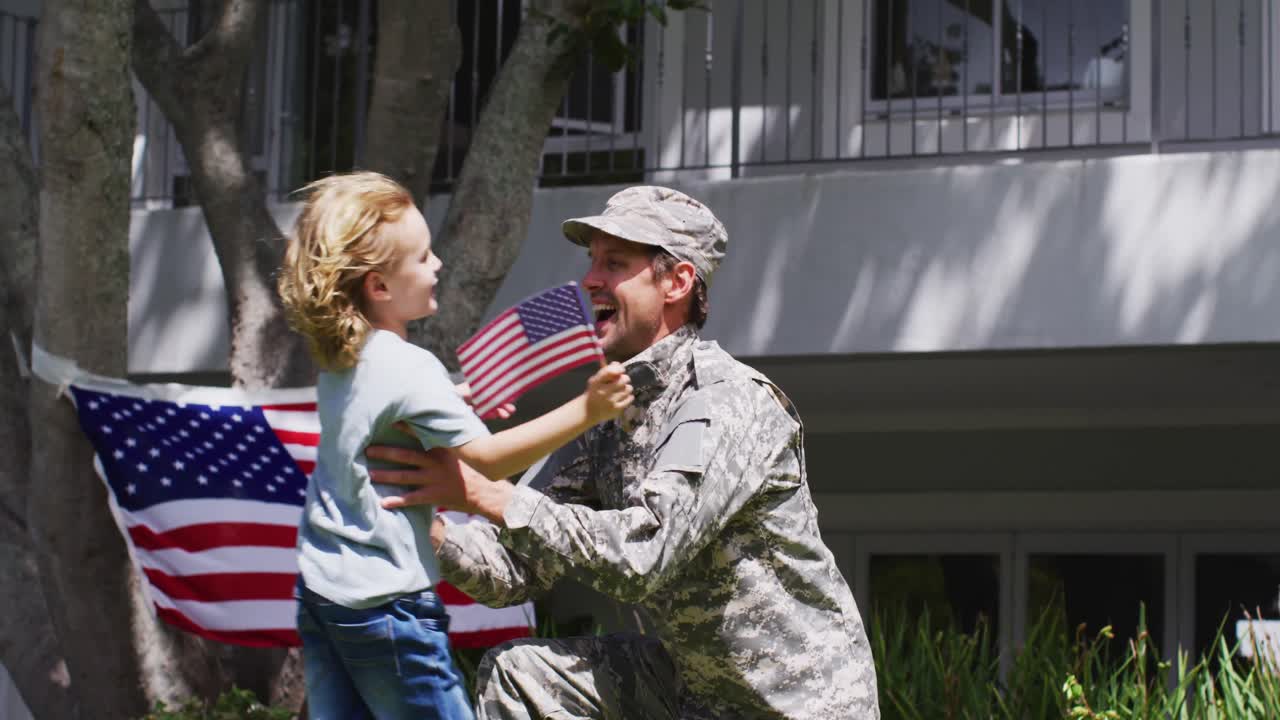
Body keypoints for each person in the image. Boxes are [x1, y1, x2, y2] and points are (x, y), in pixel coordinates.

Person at [370, 186, 881, 719]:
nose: (591, 279)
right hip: (697, 692)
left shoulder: (726, 400)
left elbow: (644, 555)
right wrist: (426, 521)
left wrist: (485, 493)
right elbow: (512, 570)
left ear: (678, 282)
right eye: (592, 261)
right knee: (522, 676)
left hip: (798, 704)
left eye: (615, 262)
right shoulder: (612, 412)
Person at [276, 171, 634, 720]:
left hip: (323, 593)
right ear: (378, 286)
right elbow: (490, 460)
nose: (437, 264)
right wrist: (587, 410)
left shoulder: (342, 358)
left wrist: (453, 398)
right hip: (386, 605)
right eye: (422, 258)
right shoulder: (409, 365)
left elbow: (387, 416)